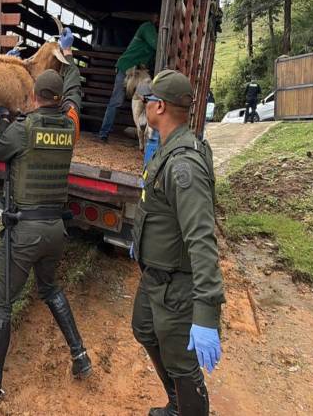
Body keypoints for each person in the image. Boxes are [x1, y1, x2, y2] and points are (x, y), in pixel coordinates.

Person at [0, 32, 92, 402]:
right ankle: (80, 355)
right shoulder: (70, 126)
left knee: (1, 304)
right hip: (55, 231)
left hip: (25, 233)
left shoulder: (24, 128)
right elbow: (75, 98)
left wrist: (6, 117)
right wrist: (72, 66)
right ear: (60, 99)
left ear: (33, 96)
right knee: (49, 288)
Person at [131, 70, 224, 416]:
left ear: (159, 107)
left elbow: (202, 240)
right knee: (143, 328)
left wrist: (205, 315)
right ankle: (177, 405)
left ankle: (188, 408)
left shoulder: (184, 164)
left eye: (148, 99)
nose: (144, 104)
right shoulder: (171, 147)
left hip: (177, 286)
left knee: (183, 364)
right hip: (155, 276)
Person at [99, 14, 159, 142]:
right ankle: (104, 133)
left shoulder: (155, 32)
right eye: (157, 17)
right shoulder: (148, 27)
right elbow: (157, 45)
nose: (158, 19)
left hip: (139, 71)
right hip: (127, 68)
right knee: (117, 101)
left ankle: (145, 136)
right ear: (155, 18)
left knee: (146, 99)